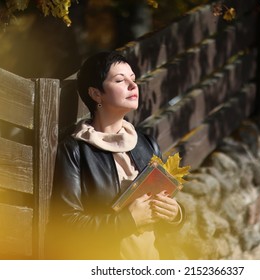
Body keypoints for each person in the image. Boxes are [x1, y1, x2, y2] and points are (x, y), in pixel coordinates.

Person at [45, 51, 184, 260]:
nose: (132, 85)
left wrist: (175, 214)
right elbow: (67, 223)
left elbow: (162, 213)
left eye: (133, 79)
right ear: (96, 94)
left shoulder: (147, 145)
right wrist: (127, 221)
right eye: (120, 80)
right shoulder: (75, 150)